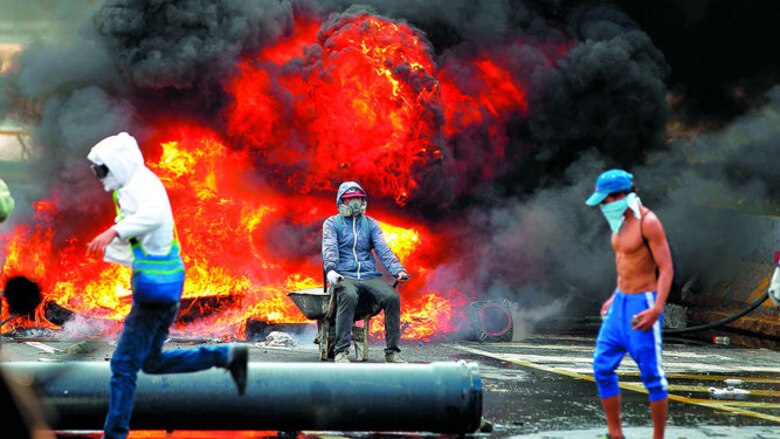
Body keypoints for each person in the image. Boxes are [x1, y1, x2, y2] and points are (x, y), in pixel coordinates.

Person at [85, 132, 248, 439]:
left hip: (154, 289)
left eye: (103, 169)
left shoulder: (139, 186)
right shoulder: (136, 184)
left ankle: (115, 434)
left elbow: (154, 216)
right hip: (166, 285)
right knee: (152, 361)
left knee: (123, 365)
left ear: (117, 163)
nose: (100, 176)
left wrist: (113, 233)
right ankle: (224, 356)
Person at [585, 169, 672, 439]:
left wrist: (657, 308)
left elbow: (666, 268)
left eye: (606, 200)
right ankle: (615, 433)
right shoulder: (619, 222)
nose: (603, 206)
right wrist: (615, 294)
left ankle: (658, 437)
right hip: (620, 303)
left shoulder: (649, 222)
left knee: (652, 377)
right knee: (601, 367)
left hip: (641, 304)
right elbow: (625, 265)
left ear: (621, 195)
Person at [321, 181, 410, 363]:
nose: (354, 203)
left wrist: (397, 270)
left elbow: (383, 249)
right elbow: (329, 248)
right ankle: (341, 351)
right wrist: (331, 271)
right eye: (349, 199)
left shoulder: (371, 225)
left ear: (363, 201)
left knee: (392, 297)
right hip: (344, 275)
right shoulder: (332, 223)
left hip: (369, 276)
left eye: (358, 199)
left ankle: (392, 352)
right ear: (341, 202)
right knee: (348, 295)